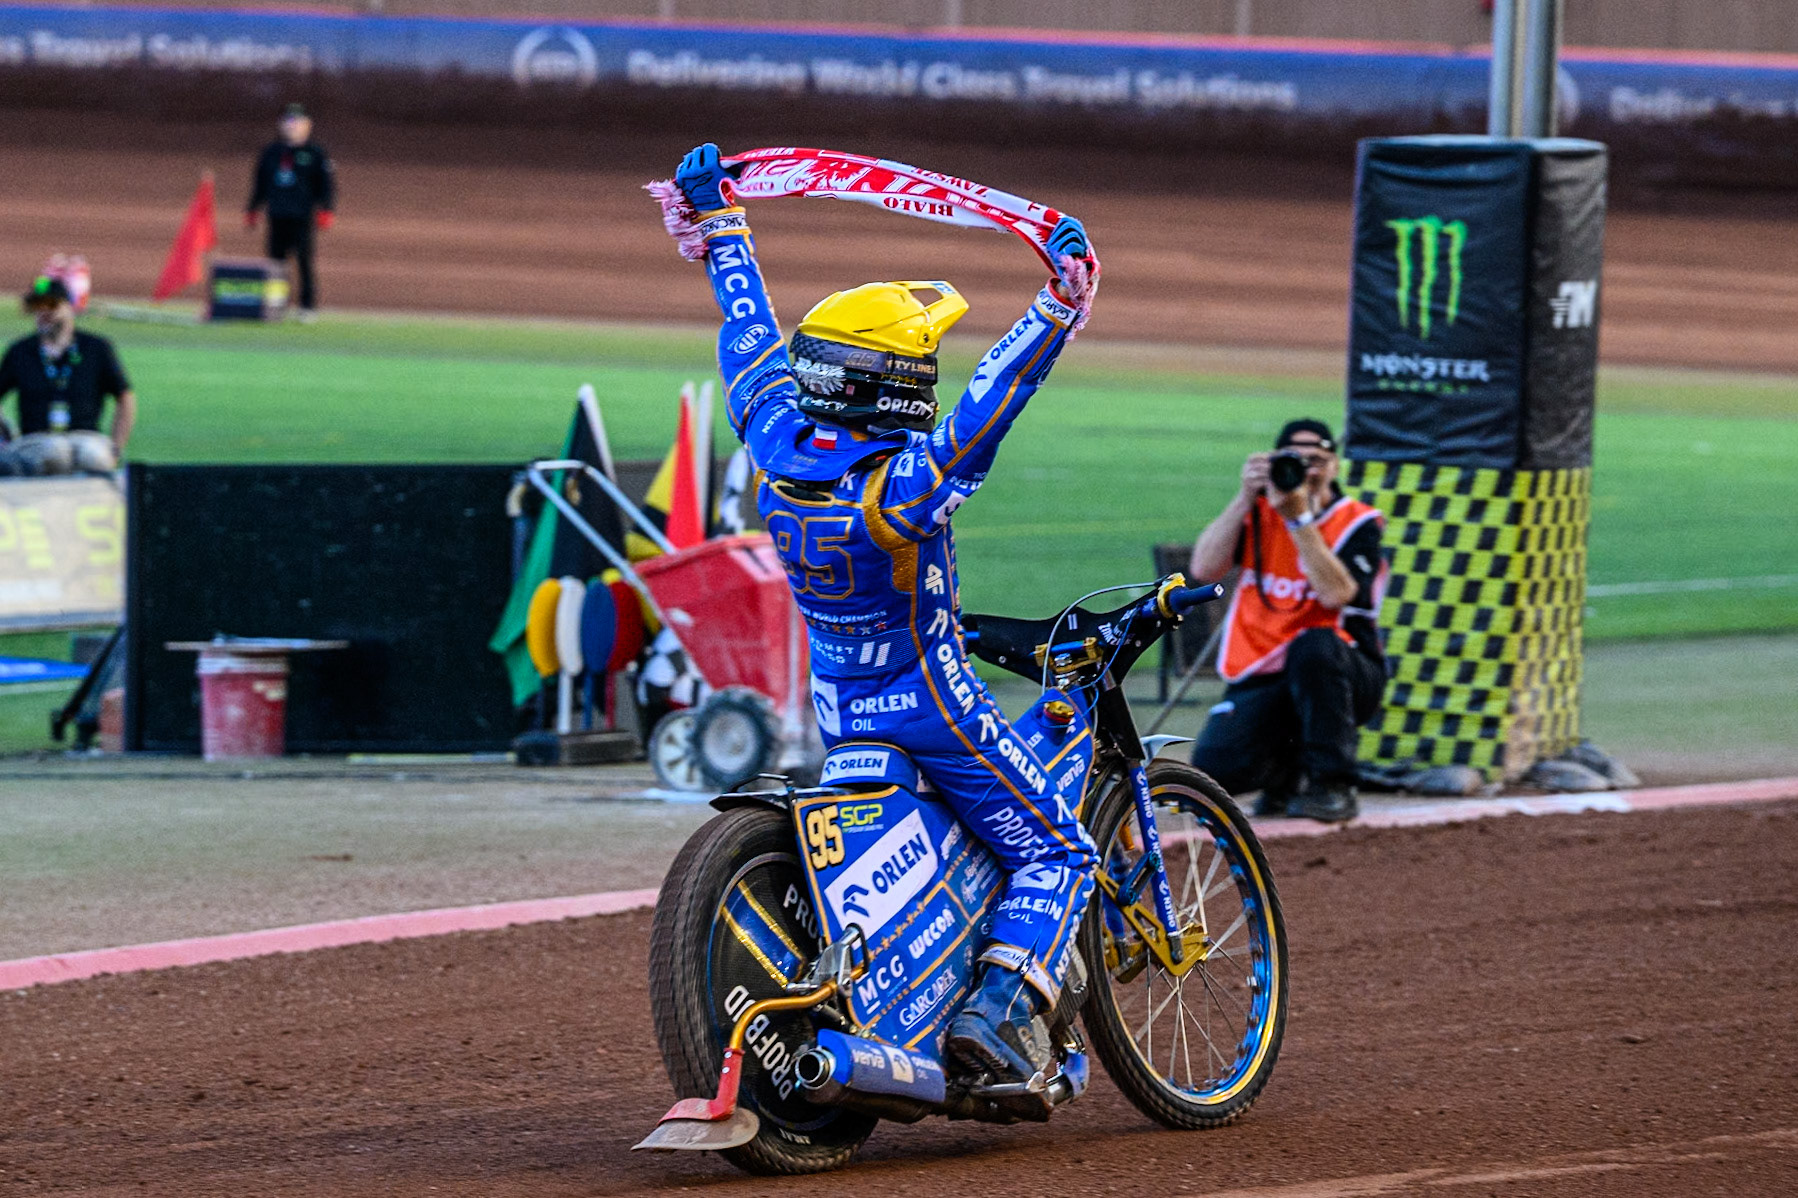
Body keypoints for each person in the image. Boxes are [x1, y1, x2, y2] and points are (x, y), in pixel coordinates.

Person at [666, 143, 1098, 1085]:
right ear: (899, 388)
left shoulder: (772, 433)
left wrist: (721, 222)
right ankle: (995, 1009)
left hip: (840, 707)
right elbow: (995, 402)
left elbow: (748, 329)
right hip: (933, 706)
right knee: (1062, 850)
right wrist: (1058, 304)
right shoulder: (903, 489)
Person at [1188, 419, 1387, 823]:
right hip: (1266, 667)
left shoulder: (1357, 522)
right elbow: (1204, 569)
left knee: (1313, 646)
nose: (1308, 471)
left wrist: (1299, 521)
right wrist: (1244, 497)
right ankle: (1286, 776)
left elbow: (1336, 594)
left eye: (1317, 460)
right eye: (1296, 461)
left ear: (1334, 465)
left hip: (1344, 672)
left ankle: (1333, 784)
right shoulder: (1260, 512)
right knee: (1214, 770)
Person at [0, 276, 135, 476]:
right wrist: (6, 435)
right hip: (36, 440)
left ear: (69, 306)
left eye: (51, 305)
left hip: (86, 437)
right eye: (37, 305)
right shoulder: (20, 351)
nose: (43, 312)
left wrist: (116, 446)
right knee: (56, 451)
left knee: (95, 456)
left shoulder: (96, 348)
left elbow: (125, 397)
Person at [246, 103, 335, 321]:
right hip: (277, 214)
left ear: (307, 125)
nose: (292, 127)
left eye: (297, 122)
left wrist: (326, 209)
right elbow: (260, 182)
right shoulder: (271, 152)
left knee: (304, 260)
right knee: (276, 263)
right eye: (288, 122)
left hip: (302, 215)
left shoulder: (315, 153)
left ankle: (307, 306)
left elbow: (325, 184)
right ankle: (277, 304)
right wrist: (253, 208)